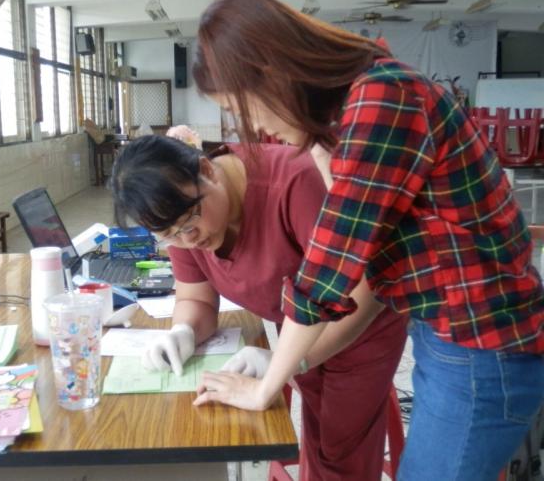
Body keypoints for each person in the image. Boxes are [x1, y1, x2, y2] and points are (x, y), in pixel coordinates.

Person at [191, 0, 544, 480]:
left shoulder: (383, 96)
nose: (251, 128)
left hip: (482, 341)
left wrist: (266, 386)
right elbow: (359, 222)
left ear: (270, 73)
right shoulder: (364, 97)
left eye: (240, 108)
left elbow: (331, 264)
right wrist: (316, 141)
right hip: (448, 332)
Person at [111, 133, 408, 480]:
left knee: (341, 456)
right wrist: (184, 331)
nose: (188, 239)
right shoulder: (178, 218)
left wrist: (289, 360)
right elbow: (196, 298)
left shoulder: (295, 185)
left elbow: (365, 286)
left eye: (190, 223)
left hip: (359, 327)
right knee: (318, 440)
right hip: (299, 326)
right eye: (169, 236)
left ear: (207, 170)